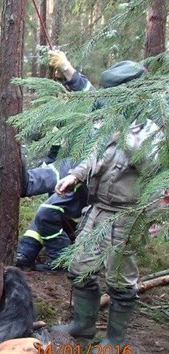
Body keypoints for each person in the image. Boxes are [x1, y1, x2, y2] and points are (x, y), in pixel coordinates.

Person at [51, 60, 159, 350]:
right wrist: (74, 176)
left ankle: (115, 339)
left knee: (121, 282)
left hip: (127, 215)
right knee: (79, 267)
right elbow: (93, 156)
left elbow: (151, 163)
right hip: (97, 210)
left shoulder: (152, 131)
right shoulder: (107, 123)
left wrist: (127, 138)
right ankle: (83, 326)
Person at [15, 50, 94, 272]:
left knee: (47, 209)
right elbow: (54, 153)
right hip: (67, 182)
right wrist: (46, 166)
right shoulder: (63, 122)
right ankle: (26, 251)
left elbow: (90, 94)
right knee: (46, 210)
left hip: (86, 185)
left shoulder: (96, 116)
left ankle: (59, 256)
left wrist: (68, 68)